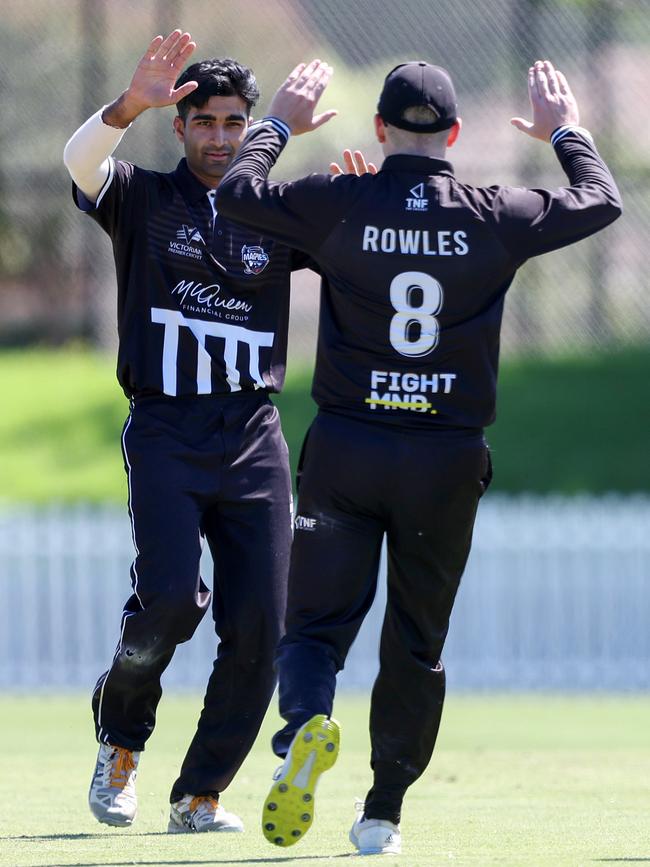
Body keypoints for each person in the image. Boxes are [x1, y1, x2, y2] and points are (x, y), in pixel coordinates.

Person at [216, 58, 622, 854]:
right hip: (444, 457)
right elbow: (601, 200)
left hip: (349, 446)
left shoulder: (342, 202)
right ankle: (381, 813)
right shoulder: (492, 211)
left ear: (378, 130)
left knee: (315, 625)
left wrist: (276, 128)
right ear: (457, 135)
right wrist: (564, 129)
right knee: (416, 638)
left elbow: (235, 195)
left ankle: (306, 722)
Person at [63, 30, 335, 833]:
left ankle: (200, 792)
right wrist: (125, 106)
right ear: (180, 128)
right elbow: (81, 163)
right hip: (167, 430)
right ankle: (121, 740)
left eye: (234, 123)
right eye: (205, 122)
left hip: (253, 434)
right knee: (173, 599)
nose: (219, 136)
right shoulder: (143, 198)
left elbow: (362, 251)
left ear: (254, 128)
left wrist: (366, 196)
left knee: (261, 624)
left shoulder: (279, 215)